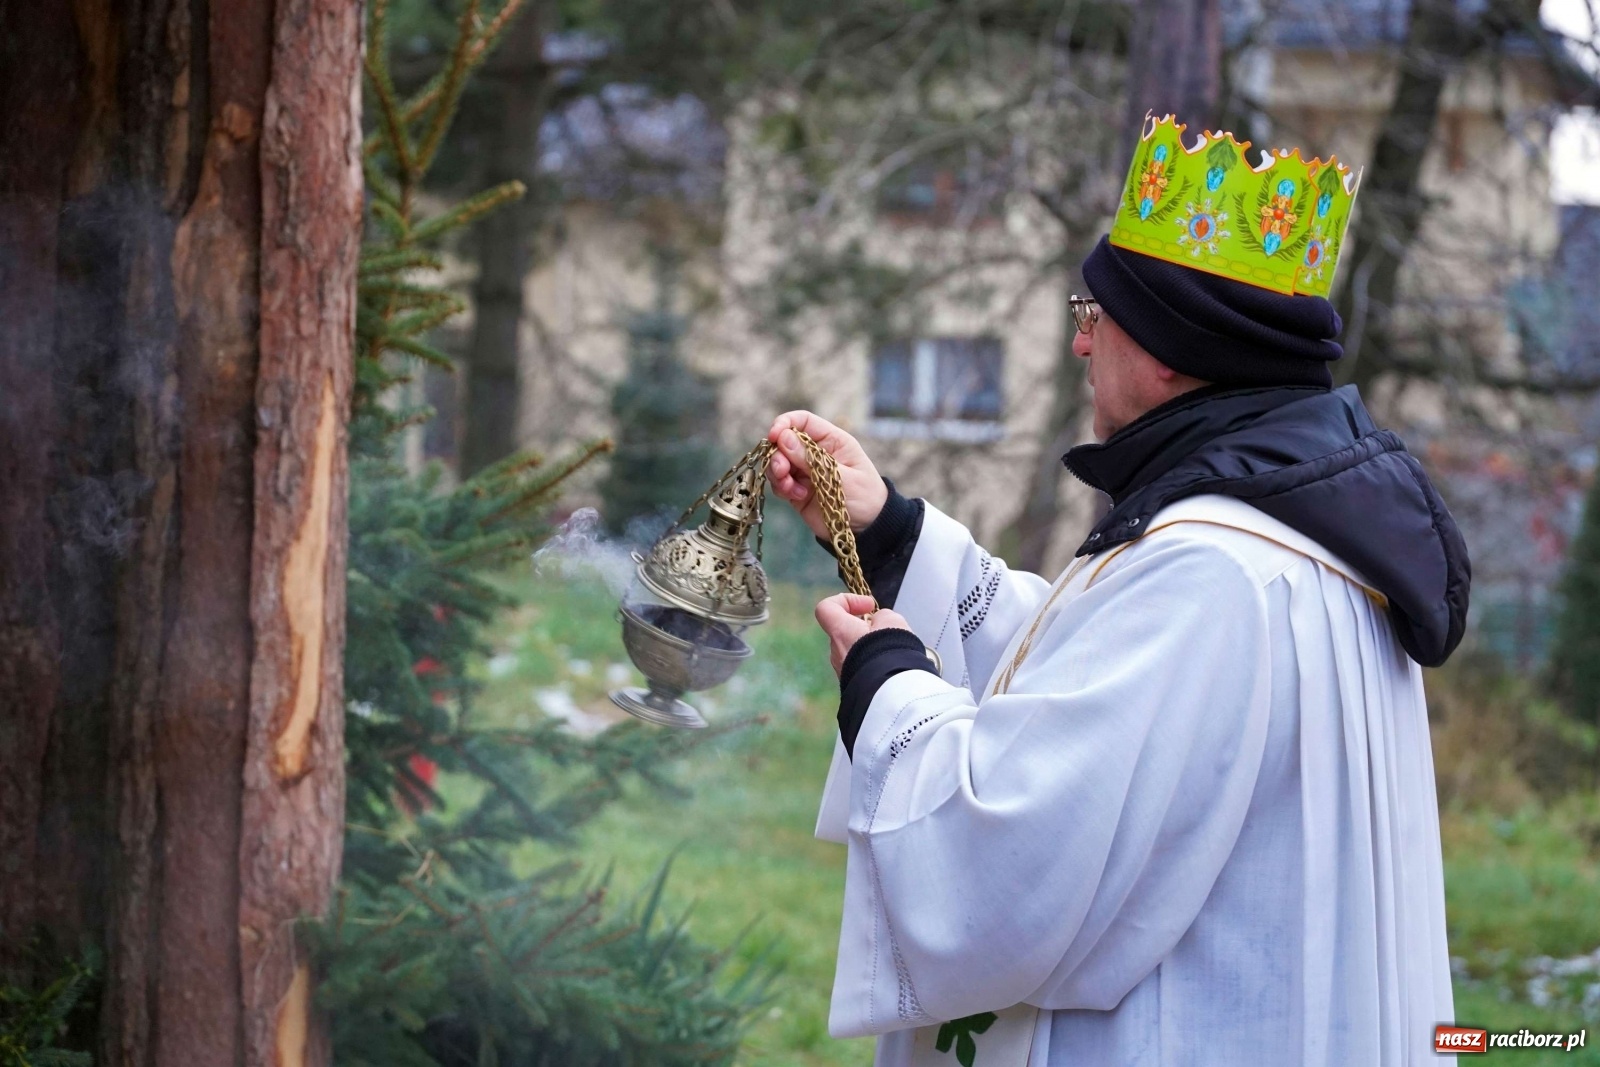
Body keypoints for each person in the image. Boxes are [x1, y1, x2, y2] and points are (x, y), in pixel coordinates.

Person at [762, 169, 1471, 1063]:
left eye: (1093, 314)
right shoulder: (1286, 532)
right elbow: (1091, 688)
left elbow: (1015, 851)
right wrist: (896, 536)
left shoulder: (1212, 565)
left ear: (1167, 346)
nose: (1080, 342)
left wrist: (887, 685)